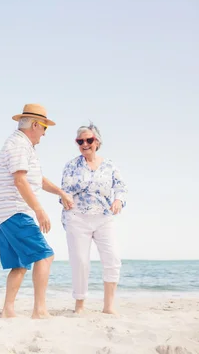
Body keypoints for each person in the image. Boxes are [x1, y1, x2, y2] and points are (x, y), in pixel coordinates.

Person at [0, 104, 74, 319]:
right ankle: (40, 311)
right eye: (45, 128)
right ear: (35, 125)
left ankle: (8, 311)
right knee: (46, 256)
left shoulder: (22, 145)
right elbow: (20, 181)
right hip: (15, 210)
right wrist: (39, 210)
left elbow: (36, 180)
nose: (45, 134)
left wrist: (60, 192)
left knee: (19, 264)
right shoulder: (19, 145)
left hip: (4, 212)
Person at [60, 122, 127, 315]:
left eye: (89, 140)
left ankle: (108, 307)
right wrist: (66, 199)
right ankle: (79, 305)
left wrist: (118, 201)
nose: (84, 144)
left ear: (97, 142)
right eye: (80, 141)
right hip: (77, 218)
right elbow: (65, 191)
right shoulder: (72, 165)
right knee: (80, 262)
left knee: (113, 258)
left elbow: (121, 187)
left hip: (104, 218)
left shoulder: (110, 165)